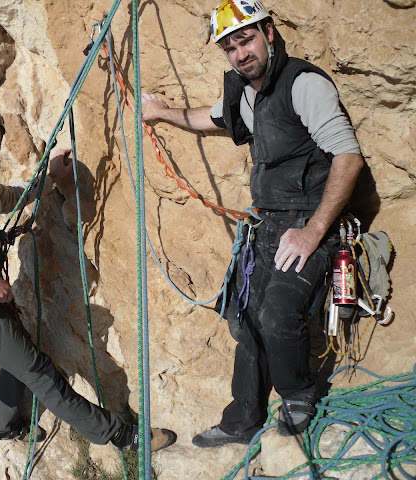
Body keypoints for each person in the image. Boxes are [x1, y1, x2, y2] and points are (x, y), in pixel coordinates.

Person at [142, 0, 364, 448]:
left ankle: (298, 394)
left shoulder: (303, 83)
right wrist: (162, 112)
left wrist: (313, 232)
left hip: (310, 221)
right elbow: (212, 118)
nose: (240, 53)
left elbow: (348, 157)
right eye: (230, 47)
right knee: (243, 318)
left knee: (278, 311)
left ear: (269, 33)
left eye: (245, 40)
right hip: (268, 225)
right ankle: (243, 418)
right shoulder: (248, 95)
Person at [0, 102, 176, 452]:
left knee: (17, 359)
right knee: (39, 371)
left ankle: (2, 426)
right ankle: (121, 436)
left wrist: (53, 175)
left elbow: (16, 196)